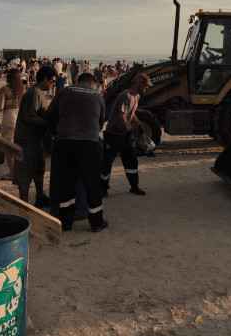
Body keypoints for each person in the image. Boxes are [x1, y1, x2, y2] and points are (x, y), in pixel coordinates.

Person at [45, 72, 107, 231]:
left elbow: (50, 115)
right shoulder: (97, 95)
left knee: (66, 184)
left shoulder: (65, 92)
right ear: (92, 82)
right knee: (92, 184)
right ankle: (96, 223)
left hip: (64, 143)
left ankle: (66, 222)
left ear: (78, 81)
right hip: (89, 144)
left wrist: (56, 134)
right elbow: (101, 122)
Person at [101, 72, 151, 197]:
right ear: (138, 84)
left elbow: (131, 114)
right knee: (107, 163)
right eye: (145, 86)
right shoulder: (125, 96)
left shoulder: (137, 96)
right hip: (114, 134)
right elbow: (121, 115)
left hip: (125, 134)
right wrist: (129, 129)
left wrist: (139, 125)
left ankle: (134, 187)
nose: (147, 88)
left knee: (131, 161)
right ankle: (102, 189)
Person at [15, 66, 56, 207]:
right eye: (52, 81)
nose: (52, 85)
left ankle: (40, 197)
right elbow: (28, 117)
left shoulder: (39, 93)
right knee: (26, 173)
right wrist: (47, 122)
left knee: (39, 169)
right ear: (44, 79)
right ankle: (24, 203)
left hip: (36, 140)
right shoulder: (34, 93)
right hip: (27, 141)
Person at [0, 68, 24, 179]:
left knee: (8, 147)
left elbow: (0, 107)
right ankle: (19, 171)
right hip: (19, 118)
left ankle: (12, 173)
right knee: (18, 146)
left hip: (8, 118)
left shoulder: (4, 89)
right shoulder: (22, 90)